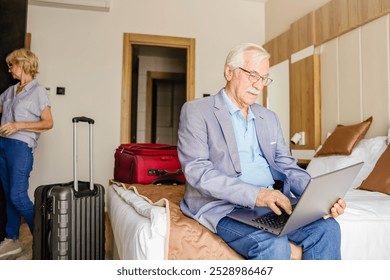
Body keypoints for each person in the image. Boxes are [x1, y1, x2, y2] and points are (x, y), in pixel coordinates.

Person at [177, 43, 346, 260]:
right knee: (272, 243)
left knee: (328, 229)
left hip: (272, 203)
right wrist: (257, 195)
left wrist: (319, 196)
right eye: (252, 75)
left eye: (264, 78)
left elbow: (286, 165)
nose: (259, 85)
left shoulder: (269, 117)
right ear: (229, 72)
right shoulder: (197, 111)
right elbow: (198, 171)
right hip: (224, 207)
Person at [0, 48, 53, 258]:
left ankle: (43, 240)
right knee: (8, 196)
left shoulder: (38, 92)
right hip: (2, 146)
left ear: (22, 64)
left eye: (12, 65)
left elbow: (48, 122)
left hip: (21, 147)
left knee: (18, 196)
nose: (10, 69)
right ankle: (11, 240)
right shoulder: (11, 91)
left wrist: (18, 125)